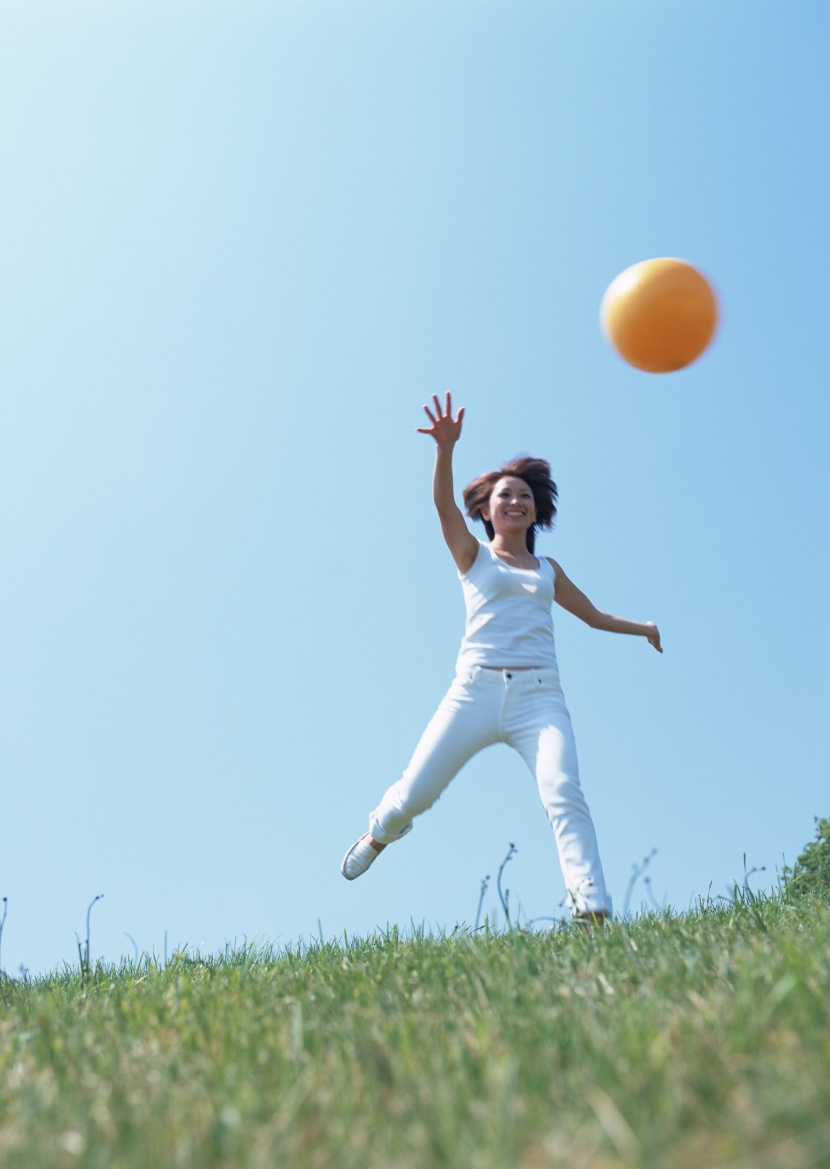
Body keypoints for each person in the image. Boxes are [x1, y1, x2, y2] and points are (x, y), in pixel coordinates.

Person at [341, 393, 662, 922]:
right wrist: (444, 450)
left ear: (536, 511)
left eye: (525, 497)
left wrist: (641, 628)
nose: (517, 502)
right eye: (505, 496)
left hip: (541, 699)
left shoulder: (547, 569)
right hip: (473, 693)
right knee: (414, 795)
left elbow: (592, 615)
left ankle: (591, 908)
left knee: (564, 791)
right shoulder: (473, 555)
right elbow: (443, 508)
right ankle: (380, 831)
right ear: (486, 510)